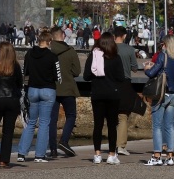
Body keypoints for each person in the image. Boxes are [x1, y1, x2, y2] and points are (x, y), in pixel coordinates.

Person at [16, 29, 62, 163]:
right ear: (49, 42)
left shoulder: (29, 54)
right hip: (48, 90)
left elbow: (25, 71)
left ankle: (21, 153)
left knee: (30, 122)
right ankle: (39, 155)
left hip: (33, 89)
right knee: (44, 123)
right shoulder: (53, 56)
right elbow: (58, 76)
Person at [85, 35, 127, 164]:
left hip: (97, 93)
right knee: (111, 125)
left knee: (98, 125)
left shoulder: (93, 56)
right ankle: (111, 154)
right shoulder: (115, 58)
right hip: (112, 94)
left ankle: (97, 154)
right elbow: (121, 77)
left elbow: (86, 76)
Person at [144, 35, 174, 166]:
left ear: (166, 44)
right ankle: (170, 156)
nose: (162, 45)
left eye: (163, 43)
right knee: (169, 126)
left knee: (157, 126)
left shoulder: (163, 55)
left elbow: (151, 73)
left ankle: (156, 155)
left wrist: (147, 68)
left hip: (162, 93)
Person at [48, 26, 81, 158]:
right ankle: (64, 140)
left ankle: (53, 149)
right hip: (68, 87)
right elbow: (77, 71)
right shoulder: (70, 51)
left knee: (52, 120)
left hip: (52, 88)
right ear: (62, 35)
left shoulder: (49, 51)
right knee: (71, 115)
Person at [113, 26, 139, 155]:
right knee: (123, 116)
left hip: (110, 83)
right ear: (124, 36)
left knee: (111, 115)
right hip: (125, 83)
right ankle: (121, 145)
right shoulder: (129, 49)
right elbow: (134, 68)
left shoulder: (109, 49)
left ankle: (112, 145)